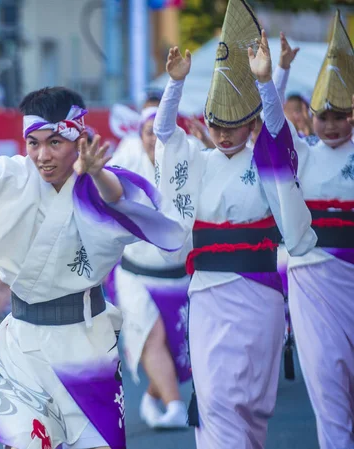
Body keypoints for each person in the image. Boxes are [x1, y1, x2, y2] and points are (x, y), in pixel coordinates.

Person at [0, 86, 185, 449]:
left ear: (80, 137)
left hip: (86, 344)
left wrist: (97, 174)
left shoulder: (98, 181)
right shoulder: (14, 174)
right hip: (23, 345)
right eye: (34, 143)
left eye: (55, 142)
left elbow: (117, 197)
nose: (42, 155)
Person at [152, 1, 316, 447]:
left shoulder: (265, 162)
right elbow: (164, 135)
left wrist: (266, 82)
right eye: (217, 124)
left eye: (235, 124)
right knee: (215, 401)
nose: (224, 133)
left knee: (250, 408)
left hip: (258, 295)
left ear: (250, 124)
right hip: (206, 294)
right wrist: (176, 82)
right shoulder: (199, 162)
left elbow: (280, 135)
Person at [281, 12, 354, 449]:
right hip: (312, 282)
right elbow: (270, 126)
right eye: (322, 114)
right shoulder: (301, 156)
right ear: (309, 116)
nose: (330, 123)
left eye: (339, 114)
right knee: (328, 391)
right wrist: (279, 72)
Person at [106, 106, 190, 429]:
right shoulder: (128, 158)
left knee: (171, 345)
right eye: (148, 132)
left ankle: (155, 397)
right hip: (135, 273)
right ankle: (176, 407)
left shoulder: (187, 162)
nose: (154, 138)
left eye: (161, 130)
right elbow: (105, 186)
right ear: (139, 135)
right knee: (152, 337)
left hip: (178, 276)